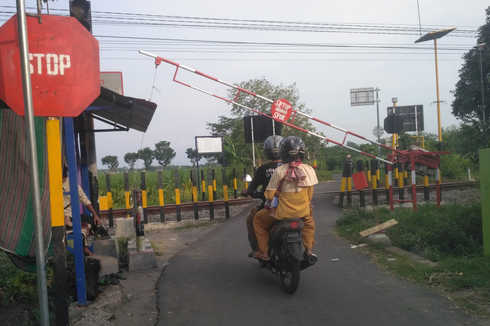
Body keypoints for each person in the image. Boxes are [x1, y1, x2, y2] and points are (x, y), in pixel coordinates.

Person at [253, 136, 318, 261]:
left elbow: (270, 195)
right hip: (302, 212)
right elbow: (309, 195)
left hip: (281, 213)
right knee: (309, 223)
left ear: (283, 153)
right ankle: (309, 250)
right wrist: (307, 203)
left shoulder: (280, 171)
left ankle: (264, 252)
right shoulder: (309, 170)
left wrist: (270, 197)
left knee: (258, 221)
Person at [241, 135, 283, 255]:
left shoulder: (263, 169)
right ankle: (308, 250)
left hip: (271, 207)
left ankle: (261, 249)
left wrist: (245, 192)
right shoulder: (291, 167)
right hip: (293, 205)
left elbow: (250, 189)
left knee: (252, 219)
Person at [63, 166, 102, 256]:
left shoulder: (72, 184)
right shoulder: (52, 185)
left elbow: (85, 199)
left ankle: (85, 247)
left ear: (64, 175)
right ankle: (69, 224)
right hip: (60, 217)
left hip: (71, 215)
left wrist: (95, 214)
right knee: (72, 223)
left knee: (94, 221)